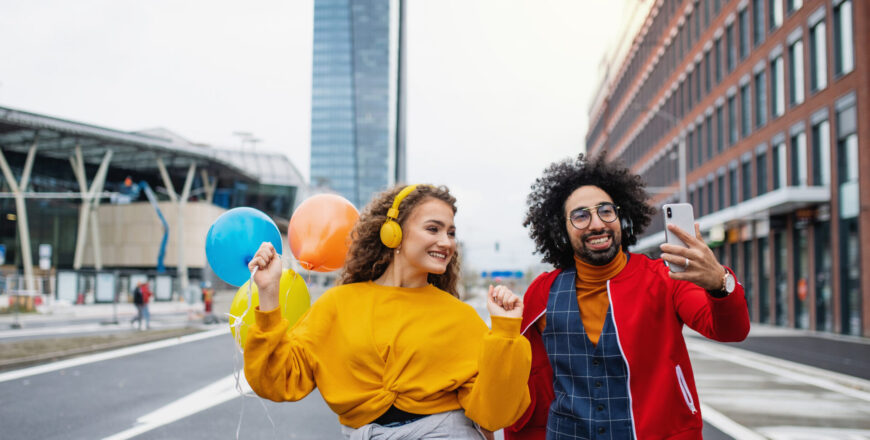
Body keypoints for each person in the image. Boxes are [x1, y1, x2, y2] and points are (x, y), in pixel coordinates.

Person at [244, 184, 532, 439]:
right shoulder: (336, 305)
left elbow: (495, 415)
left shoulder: (461, 318)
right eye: (433, 229)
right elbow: (276, 381)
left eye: (451, 232)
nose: (446, 242)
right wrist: (268, 293)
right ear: (392, 232)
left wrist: (505, 332)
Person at [505, 153, 750, 440]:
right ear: (562, 229)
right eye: (581, 216)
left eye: (606, 211)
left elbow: (731, 330)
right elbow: (519, 384)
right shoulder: (542, 292)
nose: (597, 224)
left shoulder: (666, 278)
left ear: (621, 217)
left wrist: (720, 283)